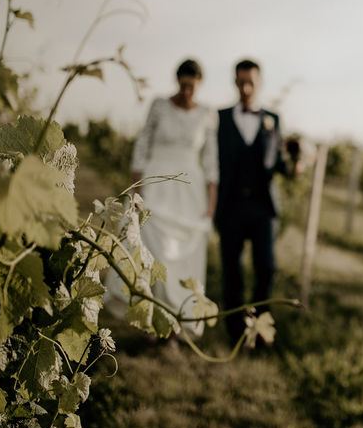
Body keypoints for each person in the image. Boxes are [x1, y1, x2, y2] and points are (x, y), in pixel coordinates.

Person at [128, 58, 217, 336]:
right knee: (154, 251)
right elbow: (142, 146)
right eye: (184, 84)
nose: (188, 90)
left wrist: (211, 204)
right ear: (177, 80)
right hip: (156, 184)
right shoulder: (159, 106)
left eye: (193, 86)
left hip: (190, 190)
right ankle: (152, 321)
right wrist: (136, 189)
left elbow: (211, 161)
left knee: (184, 258)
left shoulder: (207, 114)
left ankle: (179, 323)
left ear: (199, 84)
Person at [212, 58, 298, 345]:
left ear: (259, 83)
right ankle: (235, 331)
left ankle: (260, 328)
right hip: (232, 206)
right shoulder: (220, 118)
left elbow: (278, 161)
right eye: (241, 82)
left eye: (251, 82)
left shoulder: (273, 119)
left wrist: (295, 166)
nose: (246, 87)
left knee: (266, 269)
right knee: (232, 271)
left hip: (263, 208)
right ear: (235, 83)